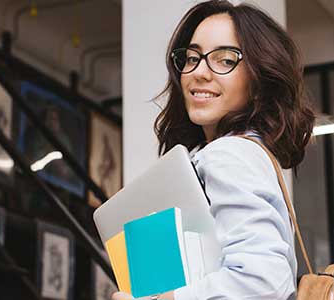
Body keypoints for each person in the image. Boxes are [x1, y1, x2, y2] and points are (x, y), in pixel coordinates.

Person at [112, 1, 316, 299]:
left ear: (258, 79)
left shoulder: (229, 154)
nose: (199, 72)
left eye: (224, 60)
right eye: (192, 58)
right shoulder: (250, 154)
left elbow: (263, 281)